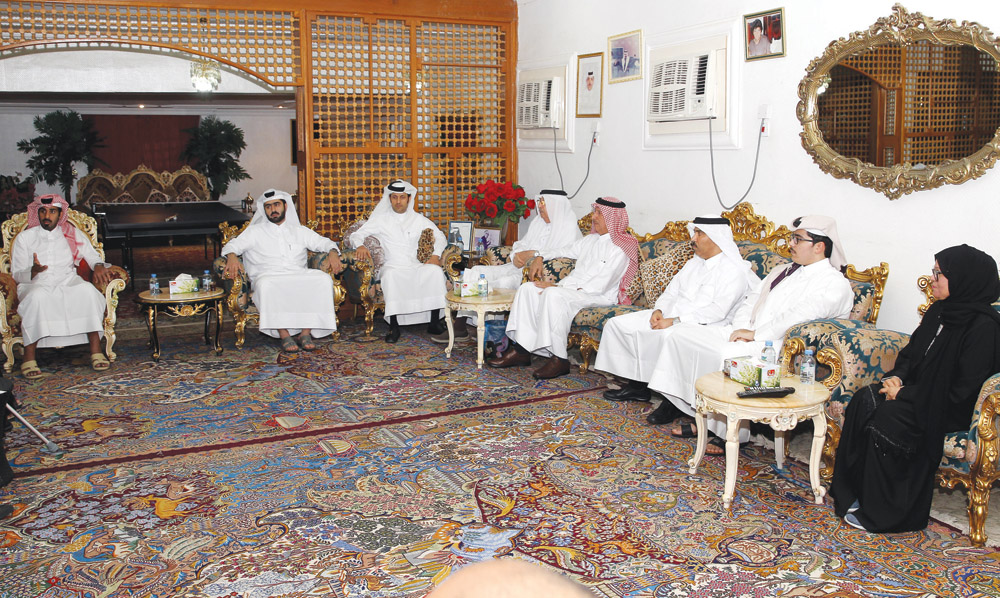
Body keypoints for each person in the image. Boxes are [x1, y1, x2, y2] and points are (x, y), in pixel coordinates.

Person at [645, 216, 854, 454]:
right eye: (792, 238)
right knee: (680, 335)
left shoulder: (833, 283)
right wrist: (742, 328)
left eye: (797, 239)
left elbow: (797, 317)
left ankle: (729, 433)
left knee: (724, 353)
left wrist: (755, 334)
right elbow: (751, 300)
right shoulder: (783, 270)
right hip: (747, 333)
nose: (791, 244)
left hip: (777, 346)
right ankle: (696, 412)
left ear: (819, 246)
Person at [832, 245, 1000, 533]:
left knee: (890, 416)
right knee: (866, 399)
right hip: (918, 394)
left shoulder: (984, 327)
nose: (932, 279)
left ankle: (888, 513)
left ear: (962, 279)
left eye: (939, 273)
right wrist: (895, 378)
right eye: (933, 271)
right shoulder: (939, 311)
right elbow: (910, 355)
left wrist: (906, 395)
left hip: (951, 407)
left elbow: (964, 390)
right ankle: (856, 493)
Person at [595, 215, 758, 407]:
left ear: (716, 238)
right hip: (670, 316)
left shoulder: (733, 270)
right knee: (618, 324)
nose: (693, 239)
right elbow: (670, 292)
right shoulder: (693, 262)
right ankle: (638, 385)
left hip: (702, 324)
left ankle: (670, 401)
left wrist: (674, 321)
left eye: (699, 233)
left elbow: (717, 312)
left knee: (668, 337)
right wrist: (659, 310)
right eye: (694, 232)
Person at [487, 197, 638, 380]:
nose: (594, 217)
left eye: (599, 213)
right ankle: (522, 350)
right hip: (573, 290)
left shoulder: (620, 248)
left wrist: (558, 285)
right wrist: (539, 256)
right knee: (528, 288)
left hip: (598, 296)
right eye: (595, 211)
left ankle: (559, 359)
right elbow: (562, 251)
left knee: (552, 294)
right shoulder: (590, 240)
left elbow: (600, 285)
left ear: (612, 218)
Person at [433, 189, 581, 343]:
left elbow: (564, 253)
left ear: (556, 205)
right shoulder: (538, 222)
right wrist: (515, 255)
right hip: (516, 266)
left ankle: (491, 330)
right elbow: (521, 243)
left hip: (533, 273)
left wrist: (533, 254)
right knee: (475, 271)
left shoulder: (567, 226)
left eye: (543, 203)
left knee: (503, 283)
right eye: (539, 202)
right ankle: (461, 327)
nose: (540, 207)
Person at [221, 189, 343, 353]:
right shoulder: (254, 231)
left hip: (298, 274)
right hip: (268, 276)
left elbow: (326, 243)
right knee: (267, 285)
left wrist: (333, 253)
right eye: (268, 207)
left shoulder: (299, 230)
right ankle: (284, 334)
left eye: (276, 205)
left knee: (323, 280)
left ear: (285, 206)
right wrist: (232, 256)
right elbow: (232, 245)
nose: (273, 210)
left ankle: (305, 333)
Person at [12, 194, 116, 379]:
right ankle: (29, 357)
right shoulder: (25, 238)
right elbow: (17, 274)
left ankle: (95, 350)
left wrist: (98, 266)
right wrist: (33, 271)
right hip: (35, 283)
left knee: (88, 292)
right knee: (37, 298)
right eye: (43, 211)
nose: (47, 216)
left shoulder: (71, 233)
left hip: (67, 279)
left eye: (52, 211)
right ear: (38, 212)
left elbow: (91, 255)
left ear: (60, 214)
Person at [350, 180, 448, 343]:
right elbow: (356, 235)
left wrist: (435, 255)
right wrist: (359, 245)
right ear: (389, 199)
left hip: (416, 264)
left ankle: (434, 322)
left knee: (435, 272)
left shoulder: (418, 219)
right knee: (391, 276)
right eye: (394, 197)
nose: (398, 201)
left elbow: (440, 236)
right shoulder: (381, 220)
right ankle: (394, 327)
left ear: (409, 198)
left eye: (402, 197)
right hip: (393, 264)